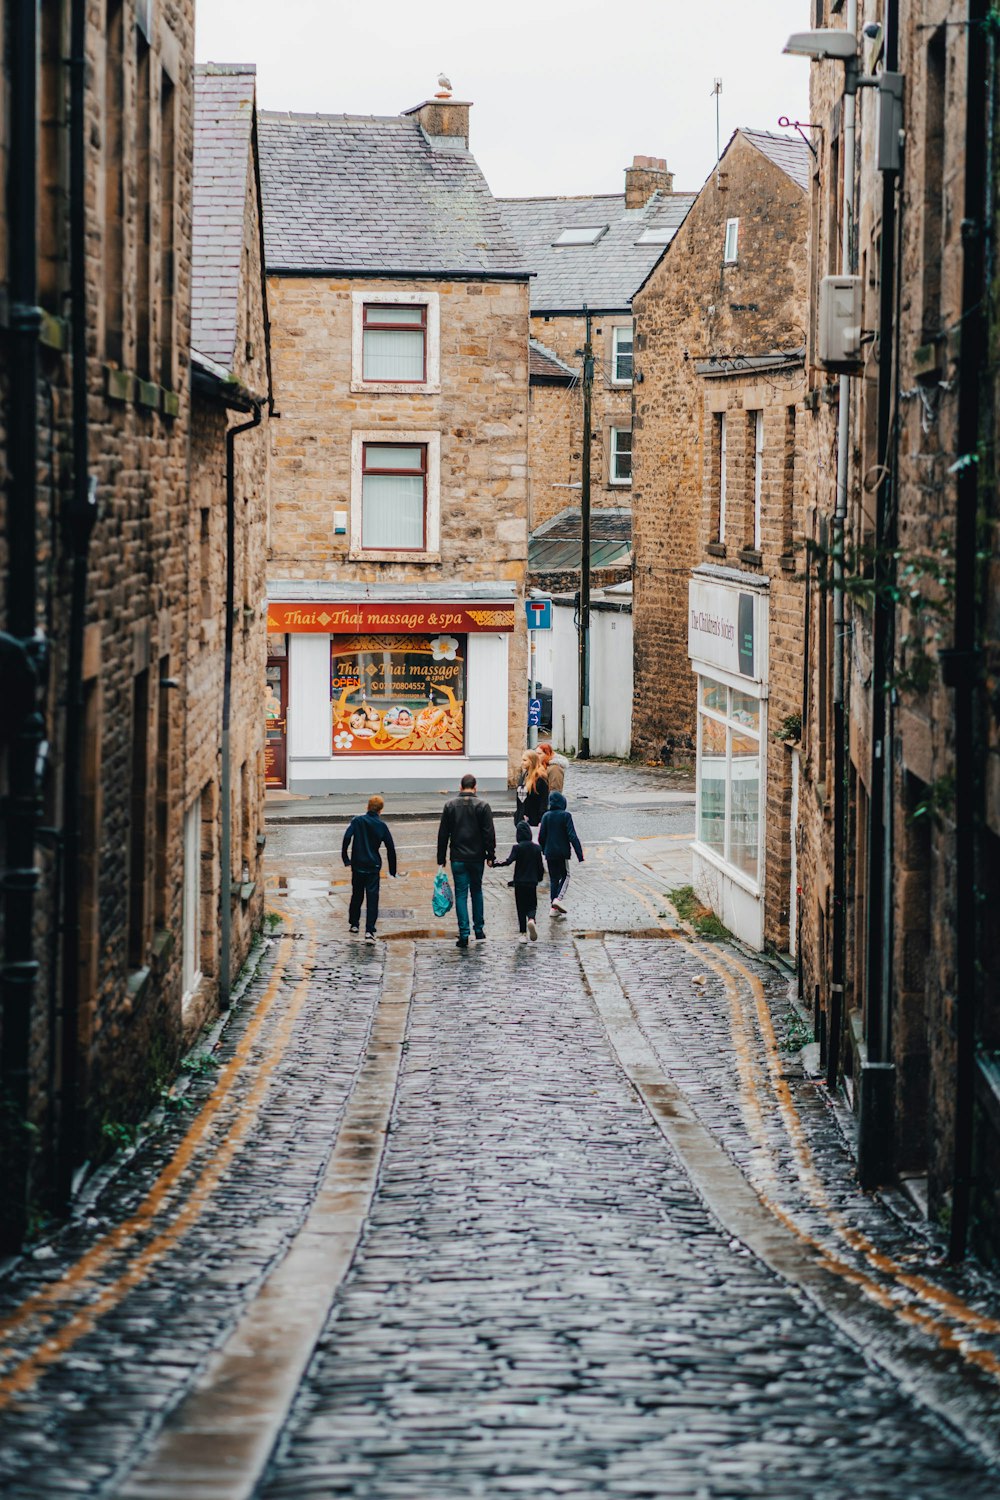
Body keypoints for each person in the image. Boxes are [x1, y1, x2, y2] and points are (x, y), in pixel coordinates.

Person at [437, 773, 496, 949]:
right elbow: (489, 833)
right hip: (477, 857)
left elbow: (443, 834)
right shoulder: (483, 806)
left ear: (461, 787)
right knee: (477, 891)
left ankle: (464, 933)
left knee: (461, 894)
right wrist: (490, 855)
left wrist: (441, 858)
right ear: (475, 787)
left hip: (458, 857)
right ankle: (479, 930)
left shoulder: (450, 806)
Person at [342, 794, 397, 942]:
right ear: (381, 810)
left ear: (367, 806)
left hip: (358, 864)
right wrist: (392, 870)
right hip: (373, 866)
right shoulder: (381, 826)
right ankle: (369, 931)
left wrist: (345, 858)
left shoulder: (357, 821)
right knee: (372, 898)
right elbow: (390, 848)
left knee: (357, 895)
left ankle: (354, 923)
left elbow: (347, 837)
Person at [494, 820, 545, 943]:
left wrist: (495, 864)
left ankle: (523, 933)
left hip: (519, 882)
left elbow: (508, 861)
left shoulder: (517, 848)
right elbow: (540, 867)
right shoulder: (537, 848)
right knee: (532, 904)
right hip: (532, 882)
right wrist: (539, 878)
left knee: (520, 907)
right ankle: (531, 919)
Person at [538, 790, 584, 918]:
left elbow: (541, 836)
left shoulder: (546, 816)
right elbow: (572, 836)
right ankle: (558, 899)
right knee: (566, 876)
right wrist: (579, 854)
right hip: (562, 852)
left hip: (549, 853)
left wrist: (544, 849)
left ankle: (553, 909)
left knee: (553, 879)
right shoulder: (565, 816)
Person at [513, 748, 549, 840]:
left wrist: (541, 820)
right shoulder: (525, 775)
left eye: (525, 760)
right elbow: (520, 800)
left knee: (533, 847)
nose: (522, 762)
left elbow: (543, 801)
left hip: (534, 821)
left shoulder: (539, 779)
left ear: (532, 761)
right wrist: (517, 816)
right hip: (522, 820)